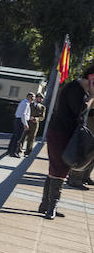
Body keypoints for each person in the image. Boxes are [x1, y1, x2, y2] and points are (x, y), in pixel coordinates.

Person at [39, 65, 94, 219]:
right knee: (61, 169)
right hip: (60, 133)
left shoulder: (80, 90)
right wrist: (91, 98)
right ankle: (52, 208)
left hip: (65, 133)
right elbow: (79, 111)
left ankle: (45, 205)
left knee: (55, 169)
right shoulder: (75, 89)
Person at [7, 92, 34, 157]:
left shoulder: (23, 102)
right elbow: (23, 115)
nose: (33, 99)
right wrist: (26, 124)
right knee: (18, 138)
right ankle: (13, 152)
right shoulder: (26, 104)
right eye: (32, 97)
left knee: (14, 137)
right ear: (28, 97)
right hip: (20, 121)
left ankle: (10, 150)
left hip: (18, 120)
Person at [22, 93, 45, 157]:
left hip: (35, 125)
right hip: (27, 122)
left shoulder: (43, 107)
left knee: (31, 139)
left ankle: (27, 153)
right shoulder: (30, 104)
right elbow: (25, 112)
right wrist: (29, 117)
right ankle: (18, 150)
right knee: (22, 137)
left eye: (42, 98)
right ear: (36, 98)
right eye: (40, 98)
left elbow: (42, 117)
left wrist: (36, 118)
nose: (41, 99)